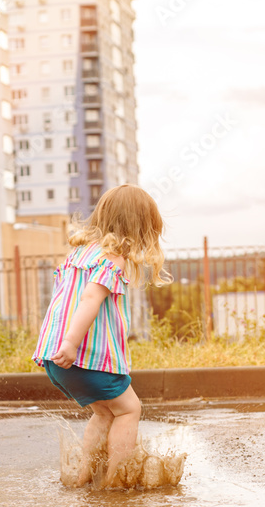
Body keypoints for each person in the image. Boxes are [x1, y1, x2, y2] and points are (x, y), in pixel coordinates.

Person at [32, 184, 171, 488]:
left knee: (104, 412)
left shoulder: (78, 253)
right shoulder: (112, 258)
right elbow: (90, 300)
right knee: (129, 409)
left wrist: (63, 346)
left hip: (55, 357)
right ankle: (115, 480)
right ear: (137, 229)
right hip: (83, 355)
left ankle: (83, 476)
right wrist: (71, 344)